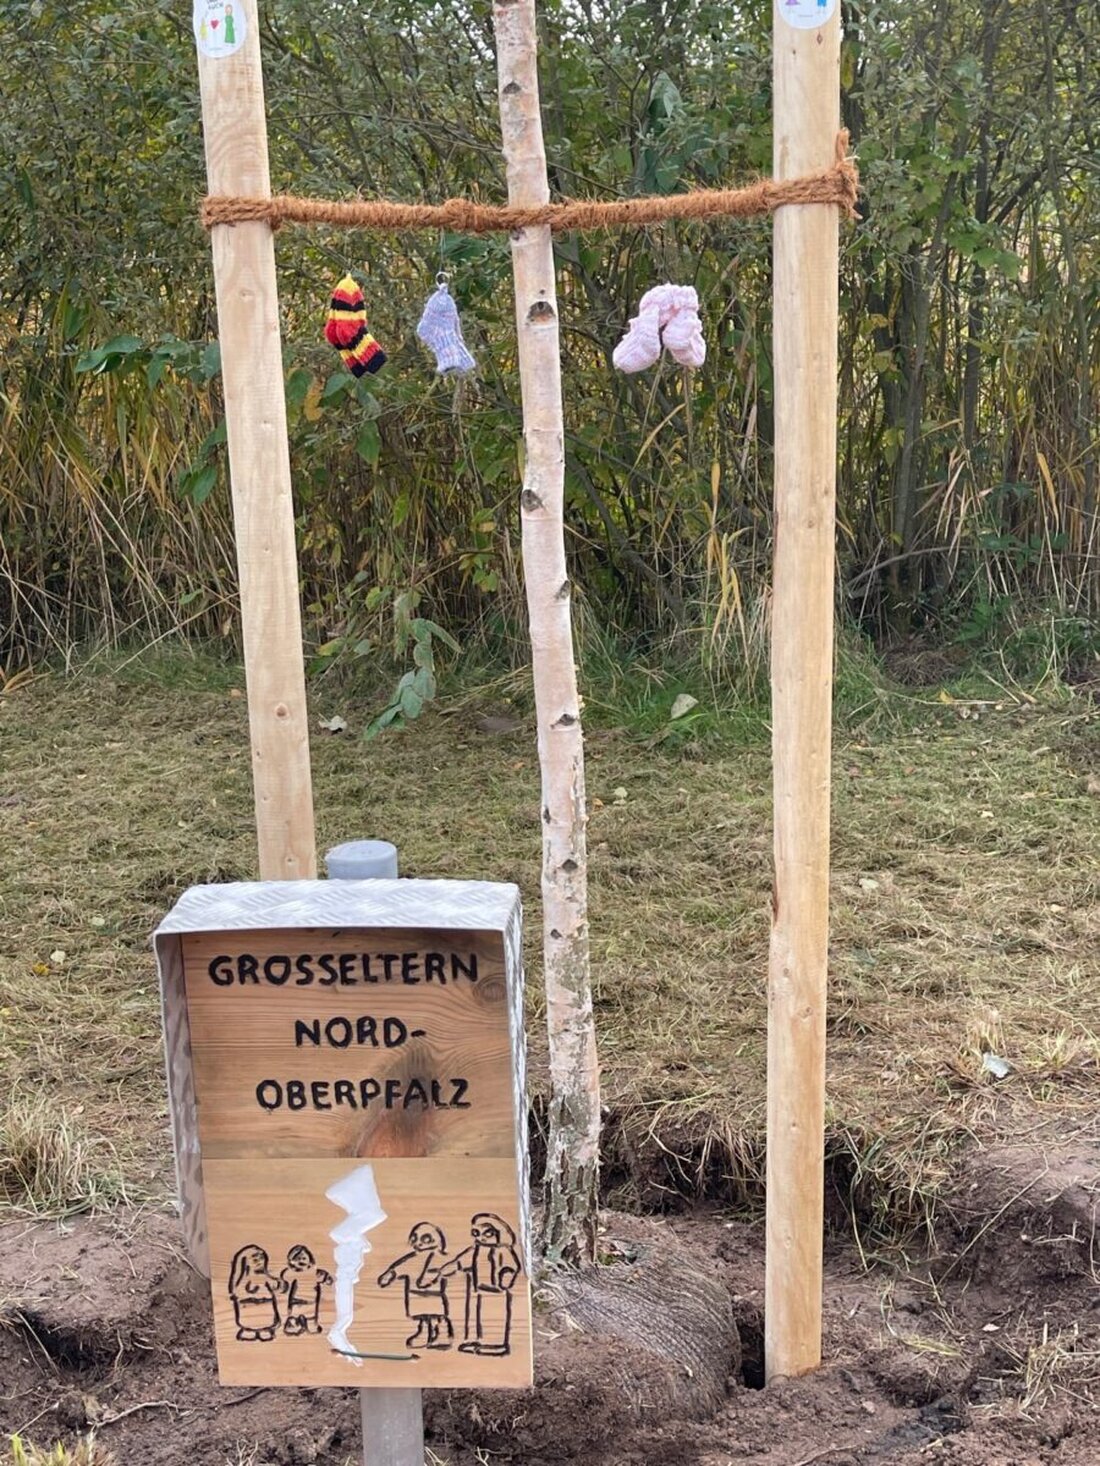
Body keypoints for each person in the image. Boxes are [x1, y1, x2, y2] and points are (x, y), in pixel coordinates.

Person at [438, 1213, 521, 1357]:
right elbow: (461, 1261)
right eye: (476, 1233)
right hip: (477, 1290)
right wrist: (450, 1267)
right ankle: (475, 1340)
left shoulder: (502, 1250)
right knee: (474, 1317)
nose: (481, 1237)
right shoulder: (476, 1250)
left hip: (496, 1292)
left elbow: (511, 1266)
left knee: (493, 1317)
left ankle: (495, 1344)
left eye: (487, 1233)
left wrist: (506, 1277)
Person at [378, 1223, 452, 1349]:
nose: (419, 1243)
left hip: (433, 1295)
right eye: (415, 1238)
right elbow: (399, 1267)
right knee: (423, 1318)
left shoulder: (438, 1257)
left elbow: (442, 1270)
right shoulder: (412, 1258)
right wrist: (390, 1275)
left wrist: (430, 1279)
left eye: (425, 1238)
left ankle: (442, 1335)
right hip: (415, 1295)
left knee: (437, 1317)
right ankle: (424, 1334)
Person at [228, 1244, 283, 1341]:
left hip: (265, 1308)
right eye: (254, 1259)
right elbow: (240, 1292)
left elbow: (277, 1287)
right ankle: (250, 1332)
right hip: (249, 1309)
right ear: (245, 1261)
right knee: (250, 1321)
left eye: (261, 1258)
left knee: (265, 1320)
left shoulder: (266, 1277)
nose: (259, 1261)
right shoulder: (242, 1280)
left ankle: (263, 1331)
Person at [280, 1244, 333, 1336]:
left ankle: (312, 1326)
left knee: (310, 1316)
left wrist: (328, 1279)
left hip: (311, 1301)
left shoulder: (316, 1273)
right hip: (296, 1302)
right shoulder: (291, 1273)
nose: (301, 1261)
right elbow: (284, 1280)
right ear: (292, 1261)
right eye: (297, 1259)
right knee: (294, 1316)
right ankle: (293, 1326)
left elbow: (328, 1280)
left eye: (304, 1258)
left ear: (310, 1260)